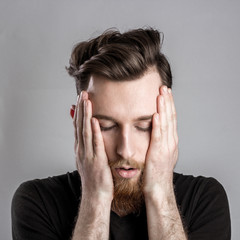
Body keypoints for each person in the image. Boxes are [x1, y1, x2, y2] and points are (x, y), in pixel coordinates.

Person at [11, 28, 231, 240]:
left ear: (168, 120)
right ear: (78, 121)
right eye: (107, 126)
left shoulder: (205, 199)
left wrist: (159, 193)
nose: (125, 149)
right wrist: (96, 198)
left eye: (144, 126)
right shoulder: (37, 202)